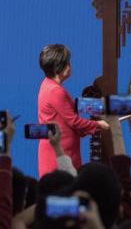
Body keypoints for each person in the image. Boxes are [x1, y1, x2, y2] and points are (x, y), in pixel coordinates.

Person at [37, 44, 109, 177]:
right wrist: (98, 124)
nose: (70, 66)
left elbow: (68, 110)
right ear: (58, 67)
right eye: (67, 63)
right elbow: (74, 122)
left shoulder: (47, 84)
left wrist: (99, 106)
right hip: (60, 155)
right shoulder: (55, 91)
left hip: (60, 151)